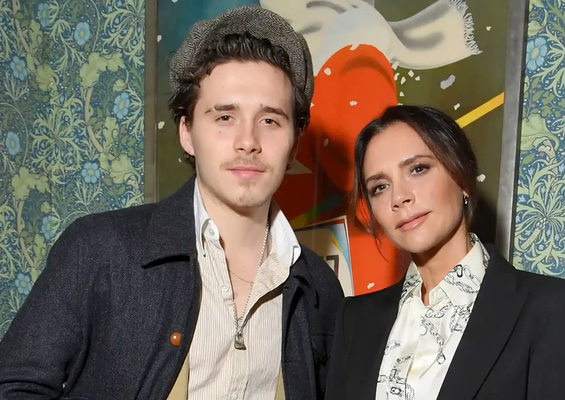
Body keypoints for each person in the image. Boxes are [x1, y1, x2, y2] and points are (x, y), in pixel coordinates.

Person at [0, 6, 343, 400]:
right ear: (186, 133)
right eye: (225, 117)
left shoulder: (320, 288)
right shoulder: (99, 250)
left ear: (294, 144)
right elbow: (14, 386)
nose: (248, 141)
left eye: (270, 120)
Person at [324, 105, 565, 400]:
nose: (399, 197)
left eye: (418, 169)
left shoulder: (550, 308)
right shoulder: (354, 321)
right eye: (379, 187)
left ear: (462, 176)